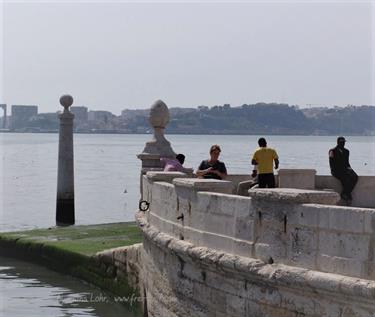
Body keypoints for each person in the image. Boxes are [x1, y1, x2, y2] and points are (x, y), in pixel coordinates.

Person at [329, 136, 358, 202]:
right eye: (341, 142)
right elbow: (331, 164)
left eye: (343, 142)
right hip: (336, 171)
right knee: (345, 179)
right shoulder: (332, 151)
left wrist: (350, 169)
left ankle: (345, 193)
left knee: (355, 177)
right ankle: (347, 196)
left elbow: (347, 163)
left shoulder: (346, 151)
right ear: (338, 142)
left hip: (345, 170)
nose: (343, 144)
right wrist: (334, 170)